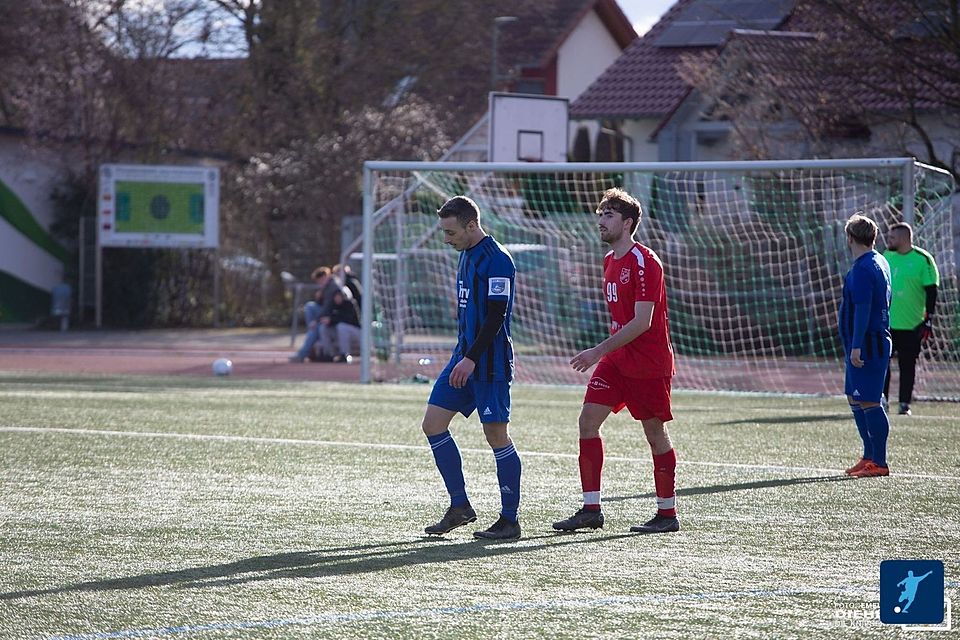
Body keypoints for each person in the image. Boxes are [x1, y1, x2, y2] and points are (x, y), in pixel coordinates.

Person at [553, 188, 679, 535]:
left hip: (648, 364)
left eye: (608, 215)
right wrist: (606, 354)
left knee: (654, 433)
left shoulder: (645, 261)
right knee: (587, 421)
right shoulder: (609, 261)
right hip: (617, 361)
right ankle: (591, 509)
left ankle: (667, 514)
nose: (600, 222)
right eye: (600, 215)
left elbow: (642, 322)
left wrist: (596, 351)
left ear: (628, 223)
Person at [421, 195, 522, 540]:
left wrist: (471, 358)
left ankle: (509, 520)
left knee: (496, 436)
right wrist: (462, 355)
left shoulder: (497, 260)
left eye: (451, 232)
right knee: (433, 424)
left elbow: (496, 316)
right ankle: (460, 506)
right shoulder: (465, 255)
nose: (447, 240)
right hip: (462, 357)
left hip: (487, 364)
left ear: (471, 225)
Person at [840, 214, 893, 478]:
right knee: (854, 397)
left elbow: (863, 308)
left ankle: (879, 462)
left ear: (850, 238)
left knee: (870, 400)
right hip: (867, 341)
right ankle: (869, 455)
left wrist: (857, 345)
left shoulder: (862, 268)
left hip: (868, 343)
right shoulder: (878, 260)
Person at [883, 222, 939, 416]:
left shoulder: (923, 259)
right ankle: (882, 401)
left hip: (912, 324)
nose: (888, 240)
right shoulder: (885, 256)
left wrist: (928, 319)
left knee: (907, 366)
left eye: (892, 237)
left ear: (904, 239)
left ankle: (904, 404)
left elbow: (931, 290)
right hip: (886, 324)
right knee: (882, 364)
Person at [289, 266, 342, 363]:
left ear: (326, 276)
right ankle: (312, 331)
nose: (320, 283)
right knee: (310, 306)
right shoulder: (327, 287)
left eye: (320, 280)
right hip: (328, 315)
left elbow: (328, 308)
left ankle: (303, 353)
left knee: (316, 327)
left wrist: (316, 321)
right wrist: (319, 297)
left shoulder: (333, 286)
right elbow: (322, 304)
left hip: (334, 317)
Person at [329, 289, 360, 362]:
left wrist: (332, 320)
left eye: (339, 297)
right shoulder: (333, 305)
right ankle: (329, 355)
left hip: (356, 333)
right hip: (341, 334)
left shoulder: (350, 304)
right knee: (323, 328)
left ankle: (345, 354)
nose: (337, 299)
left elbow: (348, 319)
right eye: (335, 297)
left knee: (341, 327)